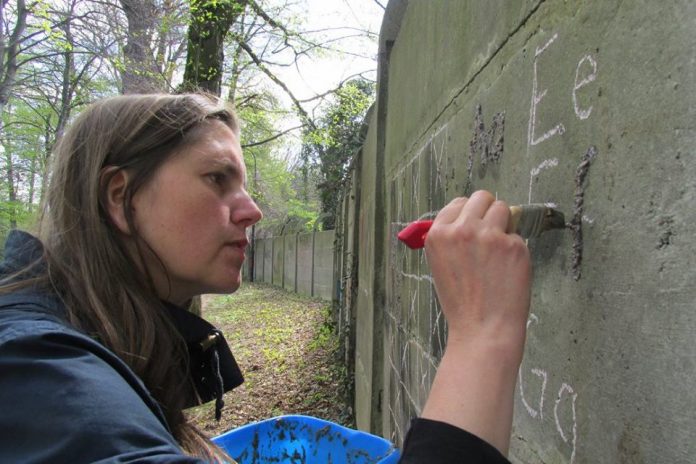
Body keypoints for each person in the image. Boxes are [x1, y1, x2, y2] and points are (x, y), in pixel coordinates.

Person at [0, 93, 531, 463]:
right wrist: (482, 336)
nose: (252, 210)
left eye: (245, 185)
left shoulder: (79, 339)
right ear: (120, 197)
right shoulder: (40, 374)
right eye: (216, 178)